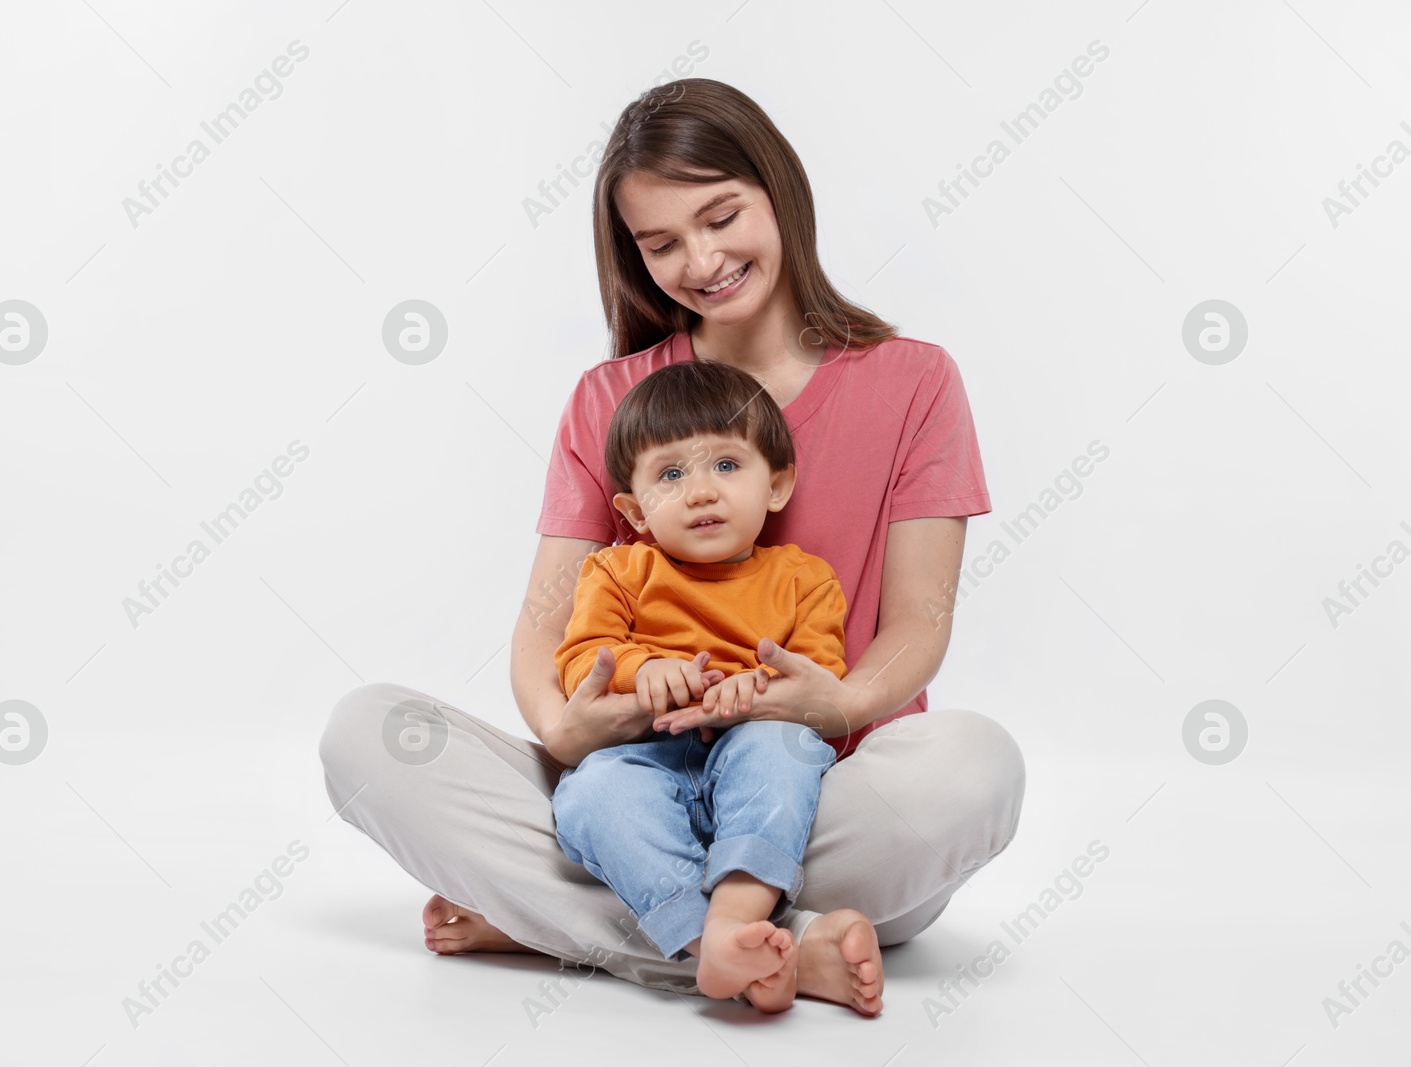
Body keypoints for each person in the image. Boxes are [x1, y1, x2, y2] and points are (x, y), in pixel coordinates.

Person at [319, 77, 1026, 1018]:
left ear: (780, 190)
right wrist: (563, 725)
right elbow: (545, 625)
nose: (702, 259)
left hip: (830, 796)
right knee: (370, 735)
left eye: (721, 215)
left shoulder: (914, 380)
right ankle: (774, 945)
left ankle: (564, 923)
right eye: (661, 244)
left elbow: (920, 619)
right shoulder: (607, 397)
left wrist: (841, 699)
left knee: (975, 765)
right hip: (641, 783)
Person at [551, 357, 849, 1013]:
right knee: (595, 792)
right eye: (671, 475)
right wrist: (640, 668)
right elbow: (580, 659)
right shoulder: (618, 569)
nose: (702, 491)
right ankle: (706, 941)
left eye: (726, 465)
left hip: (751, 746)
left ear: (777, 484)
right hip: (642, 753)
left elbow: (822, 679)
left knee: (782, 748)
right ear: (631, 509)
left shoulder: (805, 578)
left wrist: (757, 689)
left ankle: (736, 918)